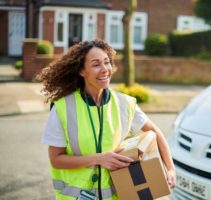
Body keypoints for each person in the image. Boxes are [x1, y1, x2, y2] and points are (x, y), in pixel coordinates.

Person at [37, 39, 176, 200]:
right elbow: (56, 160)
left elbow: (153, 131)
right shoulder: (62, 108)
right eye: (96, 64)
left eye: (107, 62)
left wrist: (170, 168)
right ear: (82, 71)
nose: (105, 70)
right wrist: (99, 159)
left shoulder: (125, 104)